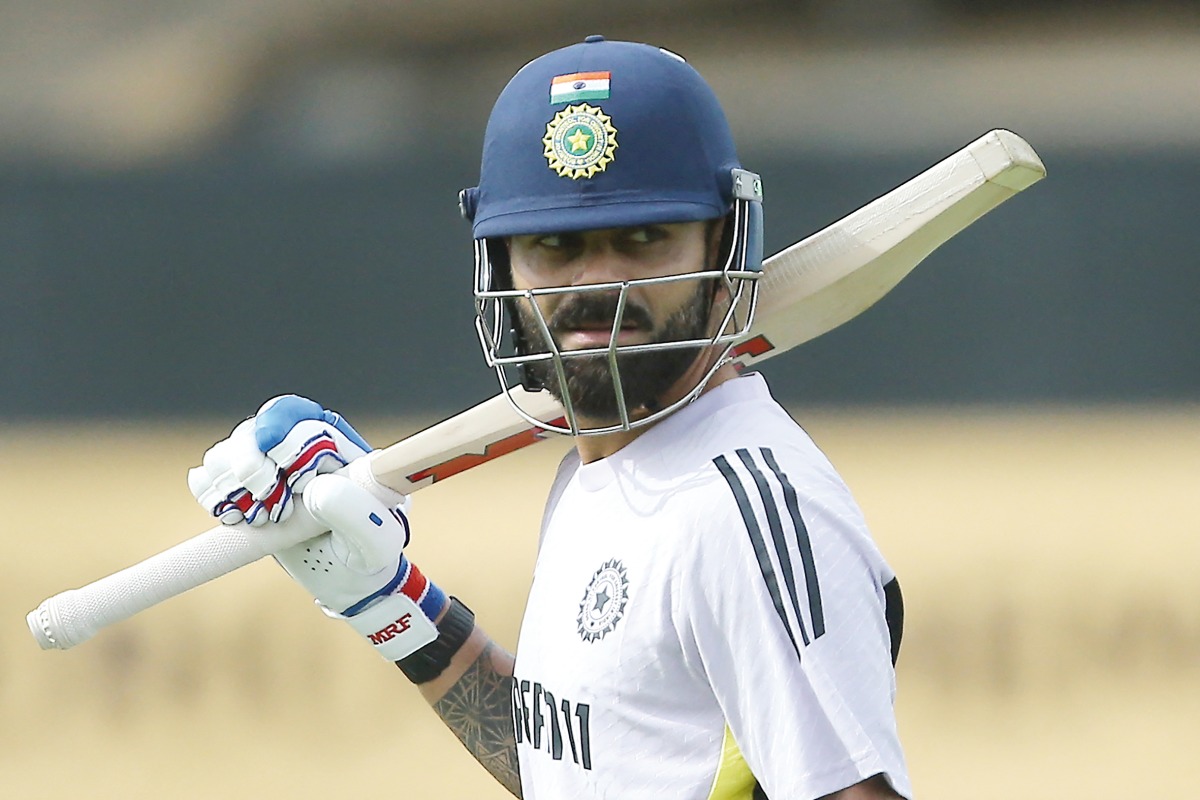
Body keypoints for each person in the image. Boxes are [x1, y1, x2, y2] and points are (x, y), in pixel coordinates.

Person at [188, 36, 911, 799]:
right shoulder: (598, 478)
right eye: (554, 245)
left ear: (725, 243)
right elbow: (577, 769)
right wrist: (388, 602)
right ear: (502, 267)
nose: (599, 284)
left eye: (643, 237)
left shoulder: (740, 515)